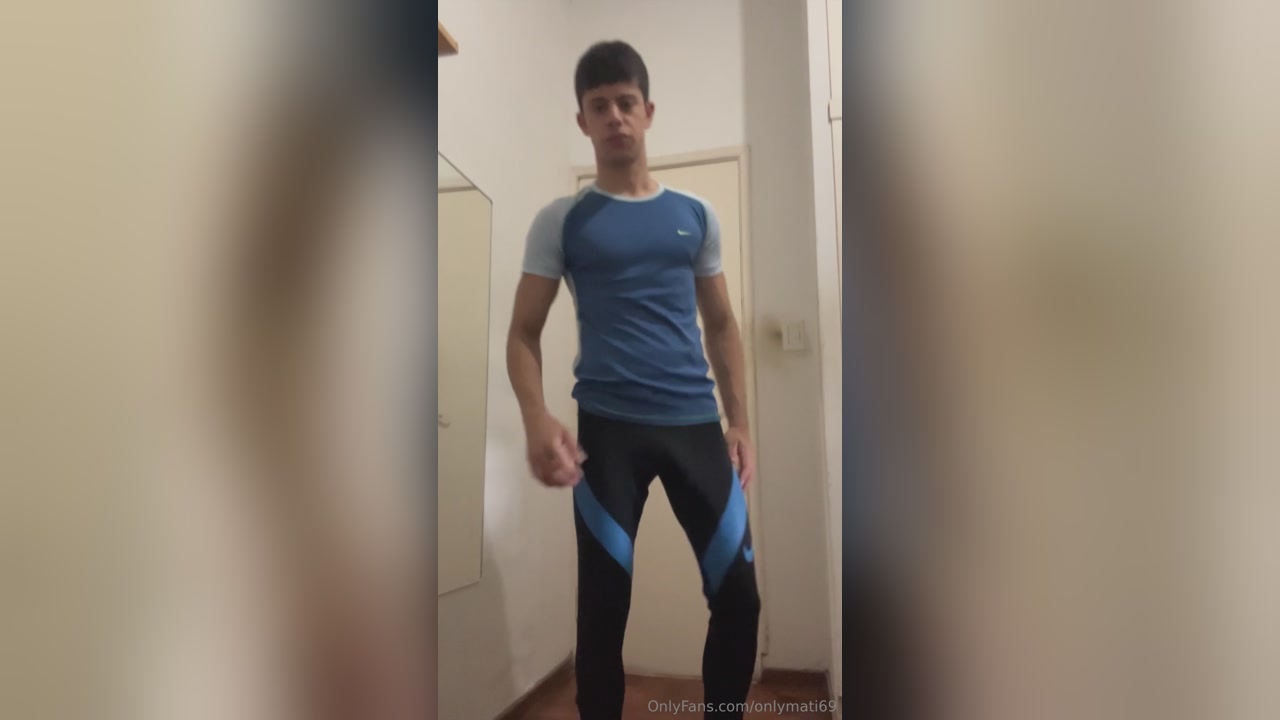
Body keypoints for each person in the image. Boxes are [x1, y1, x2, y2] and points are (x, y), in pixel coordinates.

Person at [505, 40, 761, 719]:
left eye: (626, 102)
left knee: (740, 597)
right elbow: (523, 333)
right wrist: (536, 418)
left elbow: (722, 323)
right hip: (608, 434)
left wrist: (739, 421)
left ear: (648, 112)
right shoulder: (562, 221)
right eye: (600, 106)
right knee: (602, 610)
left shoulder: (695, 214)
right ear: (583, 121)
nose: (615, 116)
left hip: (695, 426)